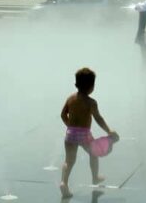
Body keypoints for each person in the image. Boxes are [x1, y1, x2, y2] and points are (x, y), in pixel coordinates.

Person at [59, 68, 118, 199]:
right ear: (92, 87)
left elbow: (63, 115)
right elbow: (98, 118)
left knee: (69, 160)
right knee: (94, 153)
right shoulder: (91, 102)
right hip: (84, 135)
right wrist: (109, 130)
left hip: (70, 134)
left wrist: (70, 126)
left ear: (76, 84)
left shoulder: (70, 99)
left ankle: (64, 182)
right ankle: (95, 177)